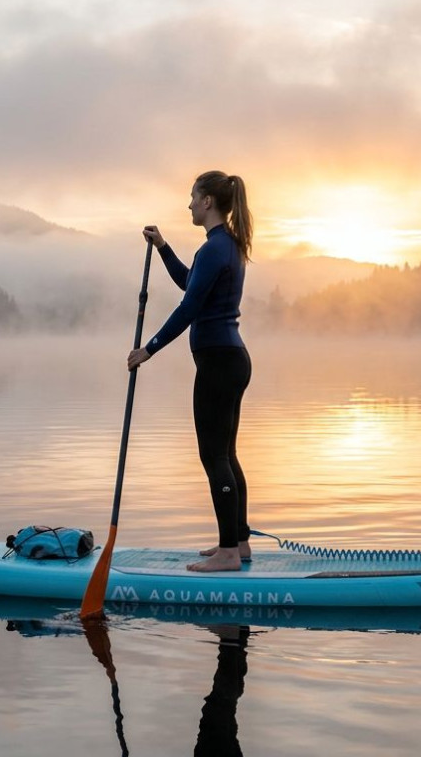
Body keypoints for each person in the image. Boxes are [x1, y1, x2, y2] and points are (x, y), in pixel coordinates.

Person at [127, 171, 253, 572]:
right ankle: (240, 543)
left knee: (213, 455)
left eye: (192, 197)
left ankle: (229, 552)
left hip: (219, 361)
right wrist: (164, 248)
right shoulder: (223, 246)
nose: (188, 205)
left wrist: (149, 349)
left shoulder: (217, 248)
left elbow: (188, 308)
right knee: (226, 454)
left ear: (207, 202)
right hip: (228, 359)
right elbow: (190, 284)